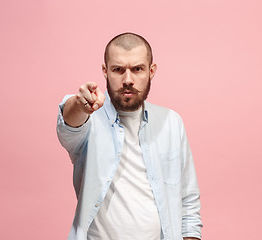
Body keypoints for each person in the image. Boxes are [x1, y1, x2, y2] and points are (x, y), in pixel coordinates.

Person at [57, 32, 203, 240]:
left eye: (137, 69)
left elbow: (188, 201)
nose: (128, 80)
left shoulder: (172, 122)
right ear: (105, 71)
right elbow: (68, 125)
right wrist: (79, 105)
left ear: (151, 71)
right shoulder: (89, 120)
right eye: (118, 70)